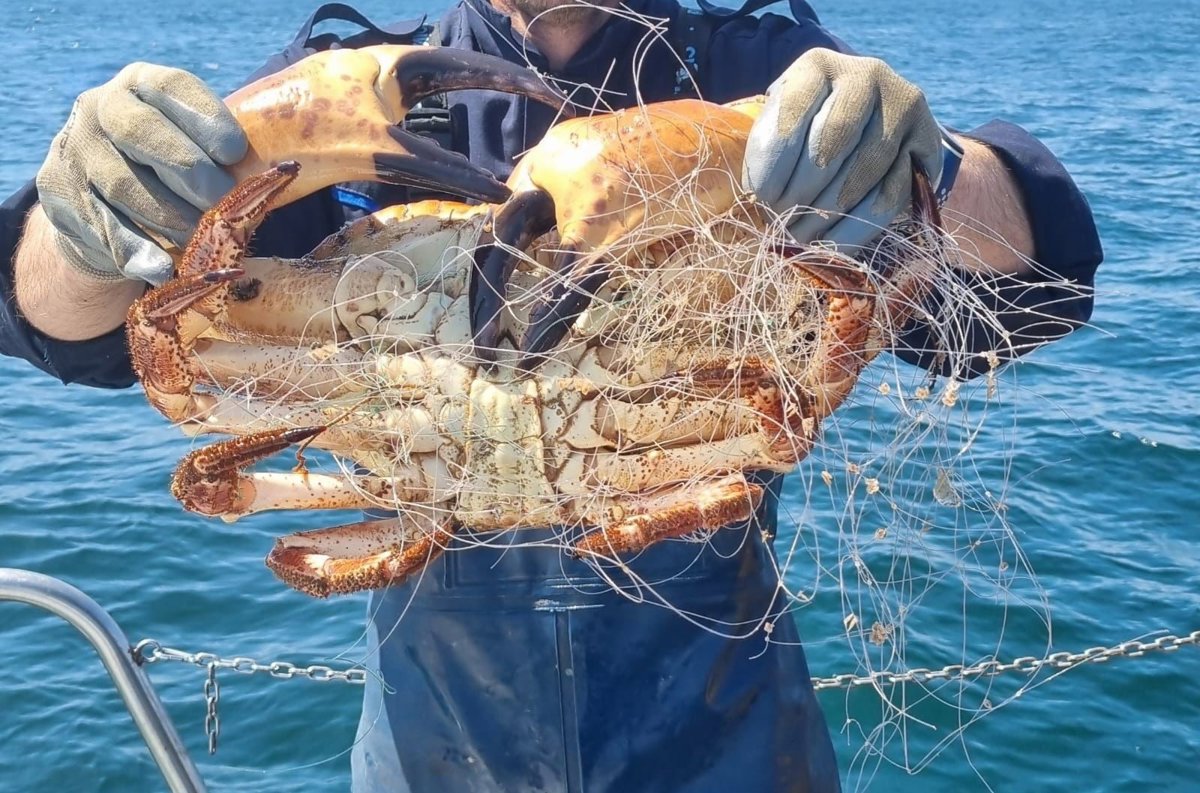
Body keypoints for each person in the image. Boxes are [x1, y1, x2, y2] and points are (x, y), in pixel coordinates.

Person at [0, 0, 1102, 790]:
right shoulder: (364, 91)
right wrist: (92, 220)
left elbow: (1037, 279)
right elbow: (83, 330)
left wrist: (934, 177)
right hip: (432, 745)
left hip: (723, 737)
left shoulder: (756, 71)